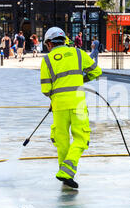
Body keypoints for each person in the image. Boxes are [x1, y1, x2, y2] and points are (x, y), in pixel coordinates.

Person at [40, 27, 102, 189]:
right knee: (81, 138)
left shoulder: (47, 60)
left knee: (62, 140)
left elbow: (46, 89)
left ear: (49, 43)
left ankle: (64, 172)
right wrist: (81, 80)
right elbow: (96, 71)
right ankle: (67, 172)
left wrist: (55, 96)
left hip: (59, 106)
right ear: (64, 40)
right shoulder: (78, 53)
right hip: (78, 104)